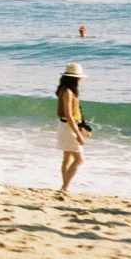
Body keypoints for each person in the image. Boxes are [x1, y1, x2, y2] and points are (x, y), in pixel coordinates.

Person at [56, 62, 89, 193]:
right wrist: (78, 133)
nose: (80, 80)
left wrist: (81, 127)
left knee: (67, 158)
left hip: (64, 125)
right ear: (75, 78)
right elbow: (69, 115)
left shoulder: (63, 89)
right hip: (68, 127)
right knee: (79, 159)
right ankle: (64, 187)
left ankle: (64, 187)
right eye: (79, 78)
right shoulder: (69, 92)